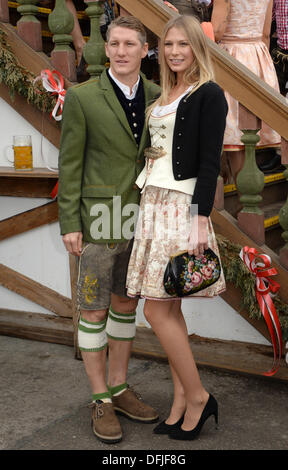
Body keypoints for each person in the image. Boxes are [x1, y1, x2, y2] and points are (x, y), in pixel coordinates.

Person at [57, 15, 160, 444]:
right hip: (99, 221)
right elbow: (71, 164)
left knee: (124, 308)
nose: (120, 51)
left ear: (144, 50)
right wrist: (70, 223)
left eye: (129, 44)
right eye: (113, 43)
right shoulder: (83, 97)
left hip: (141, 221)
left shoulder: (159, 96)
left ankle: (119, 387)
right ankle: (99, 397)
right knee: (94, 310)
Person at [126, 15, 227, 441]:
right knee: (170, 311)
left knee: (155, 308)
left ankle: (200, 397)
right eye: (168, 44)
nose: (174, 51)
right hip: (154, 200)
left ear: (197, 49)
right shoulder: (166, 91)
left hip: (182, 206)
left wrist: (201, 219)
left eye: (183, 44)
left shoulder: (210, 94)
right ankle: (181, 402)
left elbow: (209, 162)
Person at [211, 0, 281, 181]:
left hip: (232, 55)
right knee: (245, 131)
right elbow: (265, 34)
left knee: (233, 130)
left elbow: (217, 31)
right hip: (258, 54)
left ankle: (237, 198)